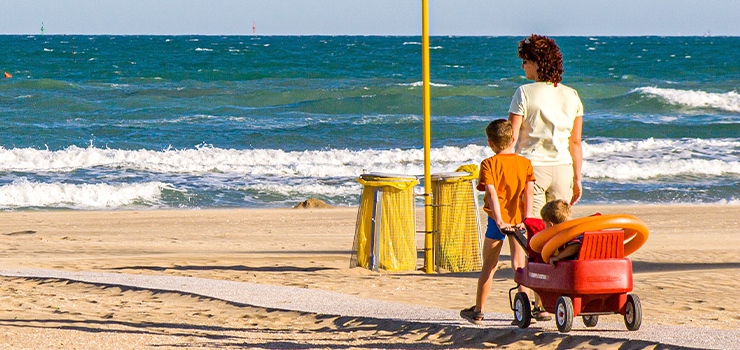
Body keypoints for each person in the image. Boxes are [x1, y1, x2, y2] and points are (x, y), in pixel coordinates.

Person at [460, 119, 534, 324]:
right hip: (519, 219)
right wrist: (526, 219)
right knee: (519, 265)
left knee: (490, 265)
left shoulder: (488, 163)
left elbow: (492, 194)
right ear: (513, 139)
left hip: (496, 220)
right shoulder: (525, 163)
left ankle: (478, 310)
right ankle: (523, 312)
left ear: (490, 143)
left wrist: (499, 220)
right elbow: (529, 193)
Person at [508, 34, 584, 218]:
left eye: (525, 61)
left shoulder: (524, 92)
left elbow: (512, 136)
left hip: (532, 168)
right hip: (562, 168)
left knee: (533, 227)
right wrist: (577, 178)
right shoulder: (572, 94)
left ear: (536, 63)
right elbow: (575, 142)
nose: (522, 66)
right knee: (559, 229)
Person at [539, 199, 581, 265]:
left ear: (550, 224)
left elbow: (576, 245)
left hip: (573, 266)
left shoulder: (566, 232)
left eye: (544, 224)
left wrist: (557, 257)